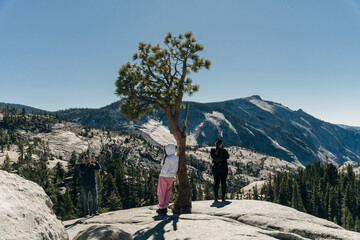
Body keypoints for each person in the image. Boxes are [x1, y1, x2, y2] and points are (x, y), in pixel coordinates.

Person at [156, 144, 179, 214]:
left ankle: (161, 207)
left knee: (161, 192)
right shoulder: (177, 157)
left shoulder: (168, 158)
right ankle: (165, 206)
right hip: (171, 176)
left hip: (164, 176)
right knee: (167, 192)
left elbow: (165, 168)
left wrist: (161, 173)